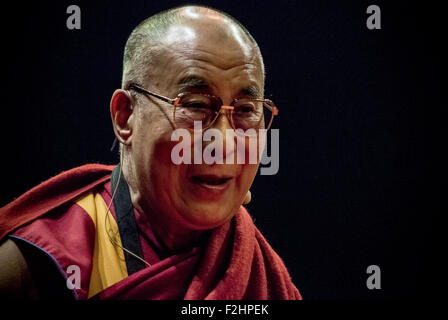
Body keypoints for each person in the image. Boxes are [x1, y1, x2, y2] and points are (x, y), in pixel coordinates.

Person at [0, 5, 301, 300]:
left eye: (246, 110)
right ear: (125, 116)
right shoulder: (41, 264)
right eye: (195, 105)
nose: (223, 141)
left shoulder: (255, 269)